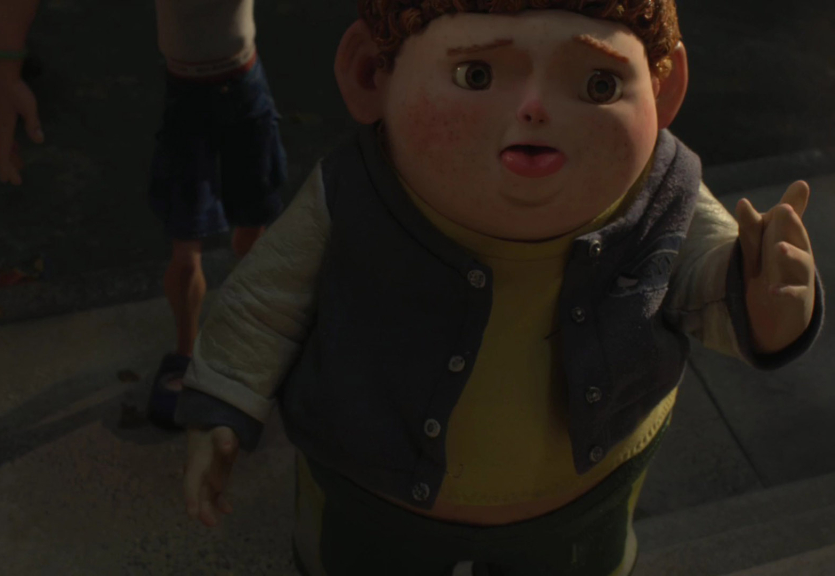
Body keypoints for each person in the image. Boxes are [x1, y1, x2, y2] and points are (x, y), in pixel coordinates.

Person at [178, 1, 825, 574]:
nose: (535, 109)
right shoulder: (351, 193)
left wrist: (766, 299)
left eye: (598, 84)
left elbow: (708, 282)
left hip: (586, 495)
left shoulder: (664, 190)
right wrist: (223, 402)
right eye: (477, 75)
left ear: (664, 87)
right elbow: (265, 305)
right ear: (372, 73)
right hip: (373, 494)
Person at [0, 0, 287, 430]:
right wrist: (1, 71)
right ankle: (187, 354)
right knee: (186, 250)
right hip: (191, 98)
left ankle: (248, 344)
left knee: (251, 236)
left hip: (241, 86)